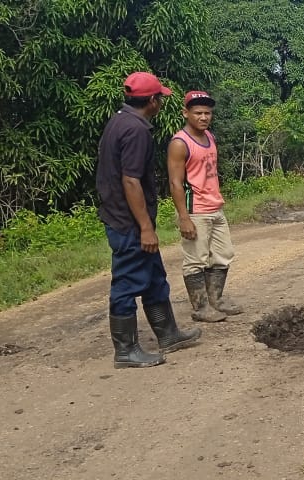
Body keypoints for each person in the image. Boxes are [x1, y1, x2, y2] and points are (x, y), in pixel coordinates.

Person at [96, 72, 201, 368]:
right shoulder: (136, 131)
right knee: (127, 282)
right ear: (152, 101)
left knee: (155, 278)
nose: (161, 103)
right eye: (160, 98)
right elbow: (130, 181)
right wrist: (145, 227)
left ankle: (168, 334)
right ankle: (126, 350)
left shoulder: (119, 121)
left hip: (124, 216)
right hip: (128, 222)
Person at [166, 91, 243, 323]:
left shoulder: (209, 137)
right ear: (186, 113)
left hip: (215, 206)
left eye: (207, 113)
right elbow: (175, 182)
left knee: (222, 255)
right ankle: (200, 307)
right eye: (198, 112)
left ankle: (216, 300)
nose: (203, 117)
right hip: (195, 209)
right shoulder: (180, 143)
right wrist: (183, 217)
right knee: (196, 259)